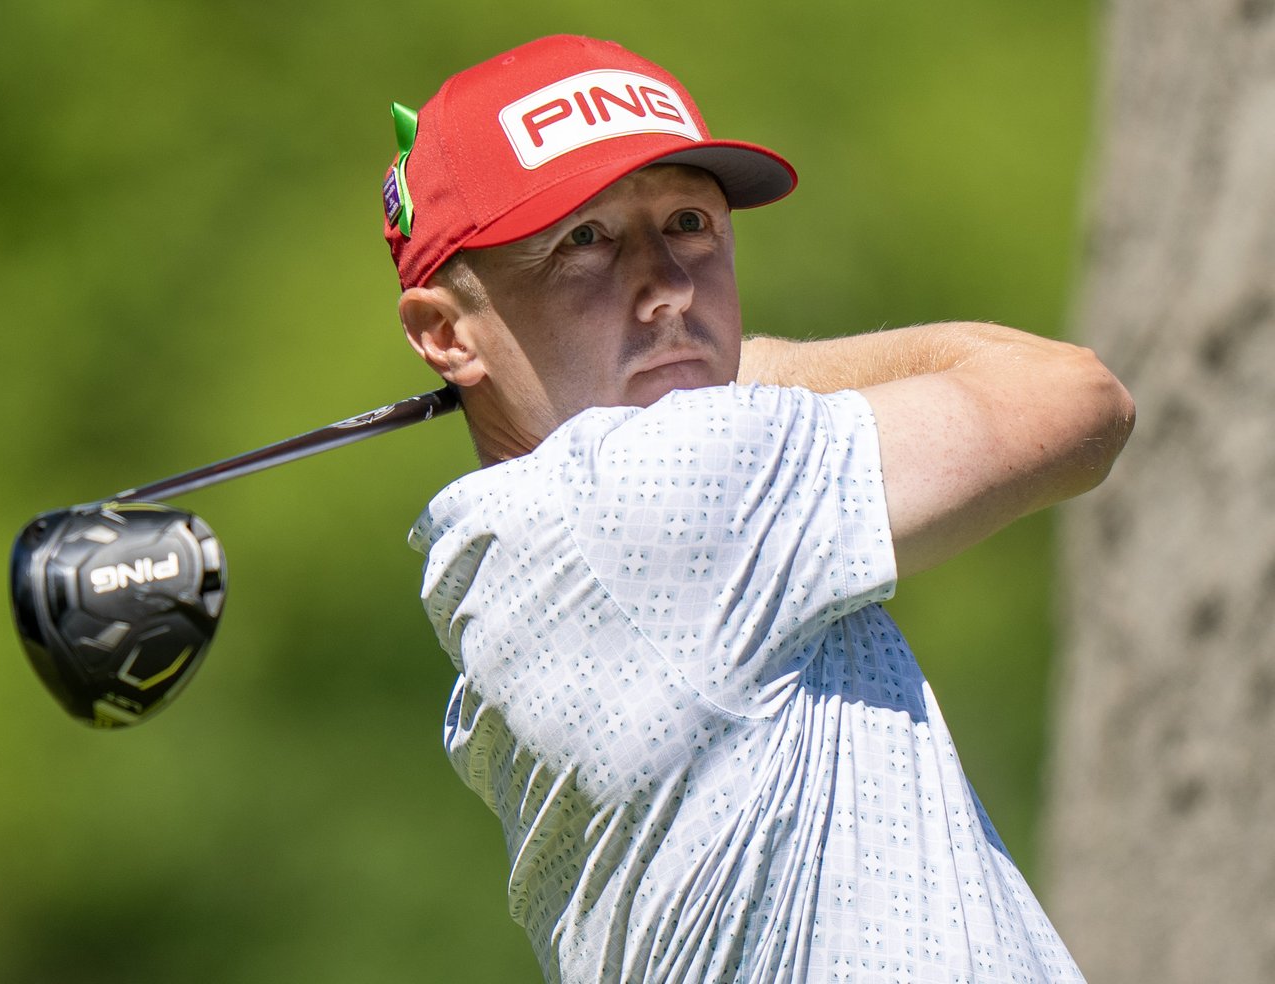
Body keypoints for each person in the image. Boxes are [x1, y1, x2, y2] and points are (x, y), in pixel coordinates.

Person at [383, 34, 1133, 983]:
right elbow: (1073, 401)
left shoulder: (513, 553)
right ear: (446, 332)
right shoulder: (649, 492)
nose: (667, 288)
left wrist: (695, 369)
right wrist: (716, 369)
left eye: (689, 223)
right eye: (584, 241)